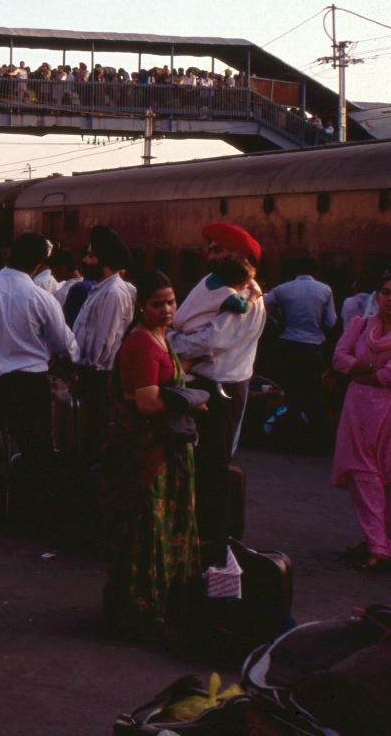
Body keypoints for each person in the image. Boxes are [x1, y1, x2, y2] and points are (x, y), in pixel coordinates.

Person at [103, 272, 202, 641]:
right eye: (157, 303)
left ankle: (154, 606)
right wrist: (191, 400)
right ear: (141, 306)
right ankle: (142, 611)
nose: (166, 310)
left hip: (164, 449)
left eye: (171, 301)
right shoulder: (143, 343)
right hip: (148, 454)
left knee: (158, 529)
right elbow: (146, 402)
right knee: (148, 530)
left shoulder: (159, 339)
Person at [0, 232, 76, 523]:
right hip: (29, 384)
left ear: (9, 255)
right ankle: (39, 518)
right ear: (39, 264)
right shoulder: (43, 298)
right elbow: (65, 344)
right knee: (38, 452)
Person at [168, 222, 267, 567]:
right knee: (199, 462)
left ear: (237, 257)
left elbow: (211, 340)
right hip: (207, 382)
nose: (209, 256)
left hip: (220, 388)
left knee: (212, 465)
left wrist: (167, 342)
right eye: (210, 249)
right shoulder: (221, 287)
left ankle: (211, 543)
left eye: (218, 250)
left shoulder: (245, 299)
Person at [331, 270, 391, 571]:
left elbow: (388, 376)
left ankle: (380, 542)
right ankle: (377, 544)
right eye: (386, 292)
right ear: (377, 295)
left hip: (386, 412)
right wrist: (373, 369)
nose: (390, 299)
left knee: (385, 477)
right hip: (358, 410)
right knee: (363, 474)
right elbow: (339, 358)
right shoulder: (361, 324)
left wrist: (360, 369)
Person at [72, 226, 135, 463]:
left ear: (105, 261)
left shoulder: (114, 293)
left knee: (95, 435)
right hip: (89, 373)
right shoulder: (101, 288)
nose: (85, 261)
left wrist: (87, 365)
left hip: (98, 375)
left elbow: (104, 340)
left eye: (91, 256)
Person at [264, 256, 338, 448]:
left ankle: (290, 436)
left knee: (290, 393)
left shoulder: (282, 289)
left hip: (288, 345)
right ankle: (319, 439)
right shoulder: (325, 290)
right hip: (313, 347)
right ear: (316, 272)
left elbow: (262, 304)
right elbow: (330, 322)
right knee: (315, 394)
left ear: (293, 271)